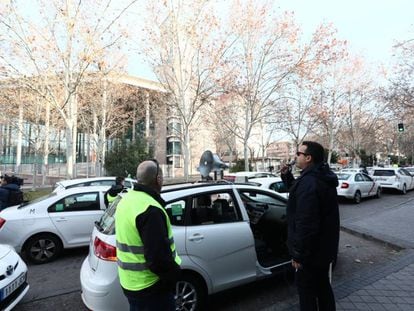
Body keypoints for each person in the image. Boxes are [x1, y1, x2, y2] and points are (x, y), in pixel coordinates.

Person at [280, 141, 339, 311]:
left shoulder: (310, 182)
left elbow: (306, 223)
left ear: (308, 157)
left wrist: (298, 255)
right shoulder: (319, 176)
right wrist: (287, 177)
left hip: (310, 255)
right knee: (322, 287)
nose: (295, 157)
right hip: (322, 250)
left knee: (307, 293)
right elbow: (299, 191)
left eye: (298, 154)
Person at [115, 159, 181, 311]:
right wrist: (174, 275)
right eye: (162, 177)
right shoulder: (150, 210)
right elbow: (158, 259)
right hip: (151, 288)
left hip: (130, 284)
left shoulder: (126, 200)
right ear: (158, 179)